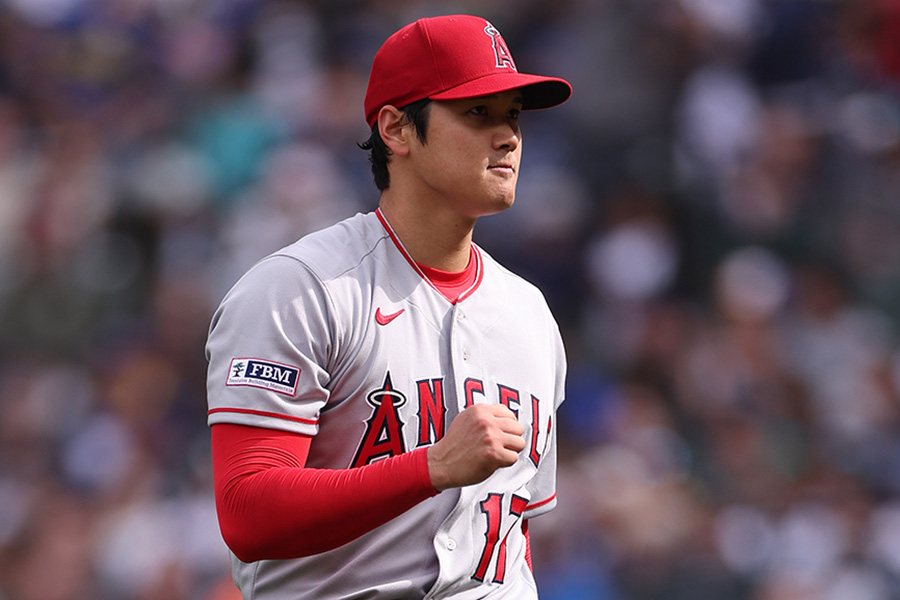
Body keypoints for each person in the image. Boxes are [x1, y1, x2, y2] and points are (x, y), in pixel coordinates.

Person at [205, 13, 572, 599]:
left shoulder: (530, 315)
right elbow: (247, 512)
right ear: (397, 130)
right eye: (477, 113)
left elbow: (513, 531)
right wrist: (429, 467)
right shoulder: (301, 288)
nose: (507, 137)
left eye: (512, 115)